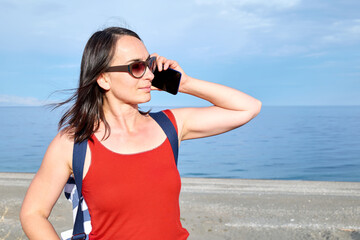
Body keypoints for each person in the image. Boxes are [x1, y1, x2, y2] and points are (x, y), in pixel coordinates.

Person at [20, 26, 262, 239]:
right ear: (103, 79)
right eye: (136, 67)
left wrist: (184, 83)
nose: (149, 75)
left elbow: (248, 107)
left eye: (148, 64)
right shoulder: (73, 143)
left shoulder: (170, 125)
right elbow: (33, 213)